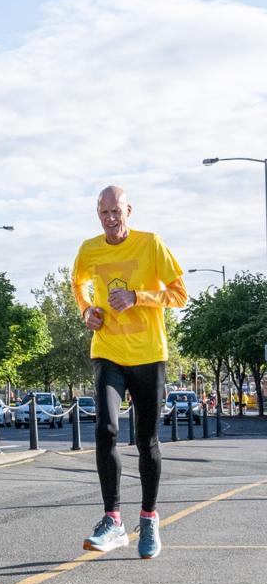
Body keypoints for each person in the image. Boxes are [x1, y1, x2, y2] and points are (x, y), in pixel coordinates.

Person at [71, 185, 186, 559]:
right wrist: (87, 310)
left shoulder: (151, 244)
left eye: (116, 211)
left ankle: (149, 517)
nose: (110, 219)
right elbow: (78, 283)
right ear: (98, 214)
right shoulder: (89, 249)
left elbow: (179, 293)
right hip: (108, 350)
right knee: (105, 428)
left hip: (149, 354)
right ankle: (112, 519)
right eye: (103, 213)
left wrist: (139, 296)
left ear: (129, 210)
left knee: (146, 440)